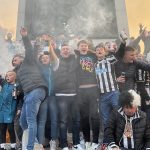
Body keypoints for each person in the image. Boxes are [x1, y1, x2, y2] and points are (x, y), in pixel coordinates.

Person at [18, 28, 48, 150]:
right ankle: (35, 143)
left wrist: (25, 37)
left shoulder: (29, 61)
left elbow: (29, 50)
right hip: (28, 94)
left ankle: (30, 148)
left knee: (31, 121)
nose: (16, 59)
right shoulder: (19, 70)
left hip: (36, 89)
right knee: (23, 122)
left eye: (18, 57)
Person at [54, 44, 82, 150]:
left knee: (76, 120)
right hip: (61, 95)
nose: (65, 51)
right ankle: (64, 144)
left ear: (70, 51)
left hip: (74, 94)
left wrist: (77, 52)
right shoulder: (56, 61)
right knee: (63, 121)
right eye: (63, 49)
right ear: (60, 52)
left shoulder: (74, 60)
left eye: (67, 49)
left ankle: (76, 143)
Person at [75, 40, 100, 150]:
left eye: (85, 46)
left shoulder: (93, 56)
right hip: (81, 91)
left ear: (88, 47)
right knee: (84, 117)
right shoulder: (75, 57)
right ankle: (87, 141)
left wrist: (89, 50)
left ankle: (95, 141)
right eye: (81, 46)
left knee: (94, 116)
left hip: (93, 89)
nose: (84, 47)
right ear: (78, 47)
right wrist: (78, 51)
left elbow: (99, 53)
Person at [37, 44, 59, 150]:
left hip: (53, 96)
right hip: (43, 97)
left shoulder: (53, 67)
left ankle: (53, 141)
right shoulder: (39, 68)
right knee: (42, 120)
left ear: (50, 59)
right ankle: (41, 143)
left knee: (54, 119)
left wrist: (48, 45)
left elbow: (56, 60)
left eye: (47, 57)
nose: (45, 59)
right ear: (40, 60)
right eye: (43, 58)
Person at [0, 71, 18, 150]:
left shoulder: (17, 86)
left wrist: (19, 108)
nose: (7, 77)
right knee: (2, 129)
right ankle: (2, 146)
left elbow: (19, 98)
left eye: (10, 75)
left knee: (10, 129)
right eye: (6, 75)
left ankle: (13, 146)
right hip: (1, 111)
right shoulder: (4, 84)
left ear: (15, 77)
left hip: (10, 111)